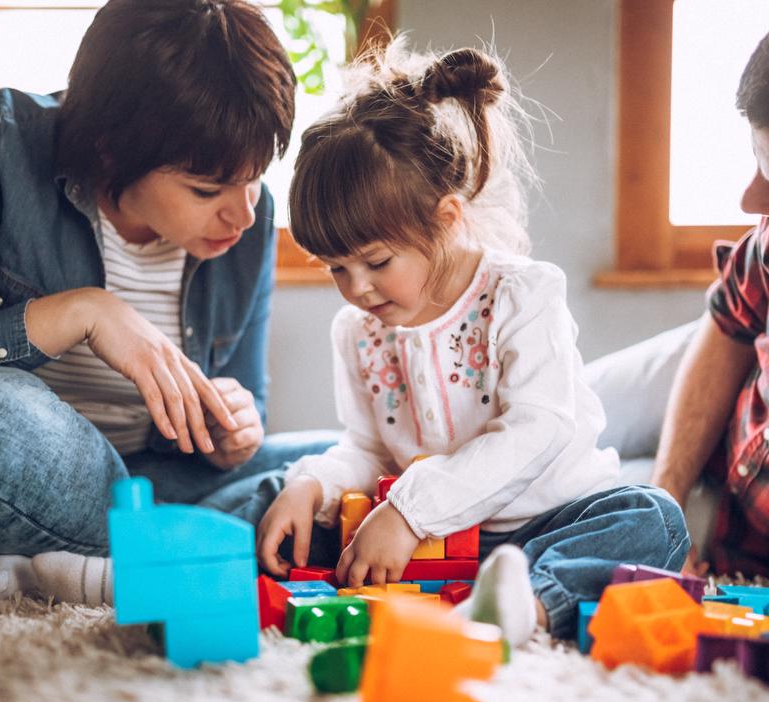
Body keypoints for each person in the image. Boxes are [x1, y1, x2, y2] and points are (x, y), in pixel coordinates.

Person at [253, 41, 691, 645]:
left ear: (447, 218)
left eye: (376, 261)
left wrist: (410, 512)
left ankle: (525, 603)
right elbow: (367, 448)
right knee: (285, 505)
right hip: (431, 542)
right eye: (334, 268)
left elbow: (541, 428)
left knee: (654, 520)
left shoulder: (522, 294)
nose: (355, 288)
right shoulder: (357, 331)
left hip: (546, 524)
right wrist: (315, 485)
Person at [0, 0, 336, 606]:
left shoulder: (250, 215)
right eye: (206, 189)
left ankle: (59, 566)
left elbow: (245, 405)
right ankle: (176, 554)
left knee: (342, 464)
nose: (244, 214)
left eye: (255, 179)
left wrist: (232, 435)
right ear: (111, 150)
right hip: (38, 463)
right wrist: (83, 312)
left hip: (156, 480)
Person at [651, 30, 769, 579]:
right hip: (711, 383)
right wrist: (664, 502)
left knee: (586, 497)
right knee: (569, 428)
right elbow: (728, 328)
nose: (749, 201)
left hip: (732, 508)